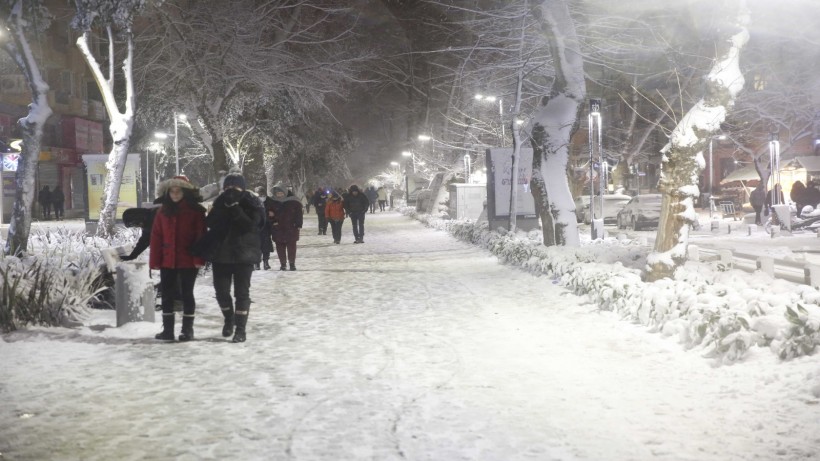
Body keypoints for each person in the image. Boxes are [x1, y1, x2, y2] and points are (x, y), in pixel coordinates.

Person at [202, 173, 264, 343]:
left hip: (244, 256)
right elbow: (210, 224)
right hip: (221, 255)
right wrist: (223, 208)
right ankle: (229, 319)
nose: (231, 191)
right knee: (221, 292)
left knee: (241, 293)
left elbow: (251, 226)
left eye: (235, 187)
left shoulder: (252, 203)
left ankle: (240, 329)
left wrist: (236, 208)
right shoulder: (219, 202)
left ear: (242, 188)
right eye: (228, 187)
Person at [148, 175, 207, 342]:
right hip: (168, 260)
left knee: (187, 294)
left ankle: (187, 330)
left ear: (185, 192)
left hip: (188, 260)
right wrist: (155, 261)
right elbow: (156, 237)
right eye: (172, 191)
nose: (175, 194)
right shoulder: (162, 212)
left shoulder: (195, 211)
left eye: (178, 191)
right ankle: (168, 330)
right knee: (167, 295)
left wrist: (198, 259)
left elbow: (200, 236)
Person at [266, 185, 303, 270]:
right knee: (280, 247)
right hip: (278, 228)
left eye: (281, 193)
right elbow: (268, 213)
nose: (279, 195)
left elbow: (299, 214)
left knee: (292, 247)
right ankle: (283, 264)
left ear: (285, 192)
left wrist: (298, 224)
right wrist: (273, 221)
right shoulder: (272, 201)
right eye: (278, 193)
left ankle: (292, 263)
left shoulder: (294, 201)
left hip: (291, 227)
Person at [254, 186, 273, 270]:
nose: (260, 195)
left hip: (266, 226)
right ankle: (257, 263)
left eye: (262, 193)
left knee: (266, 246)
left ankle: (266, 262)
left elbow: (273, 212)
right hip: (256, 227)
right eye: (259, 193)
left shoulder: (269, 201)